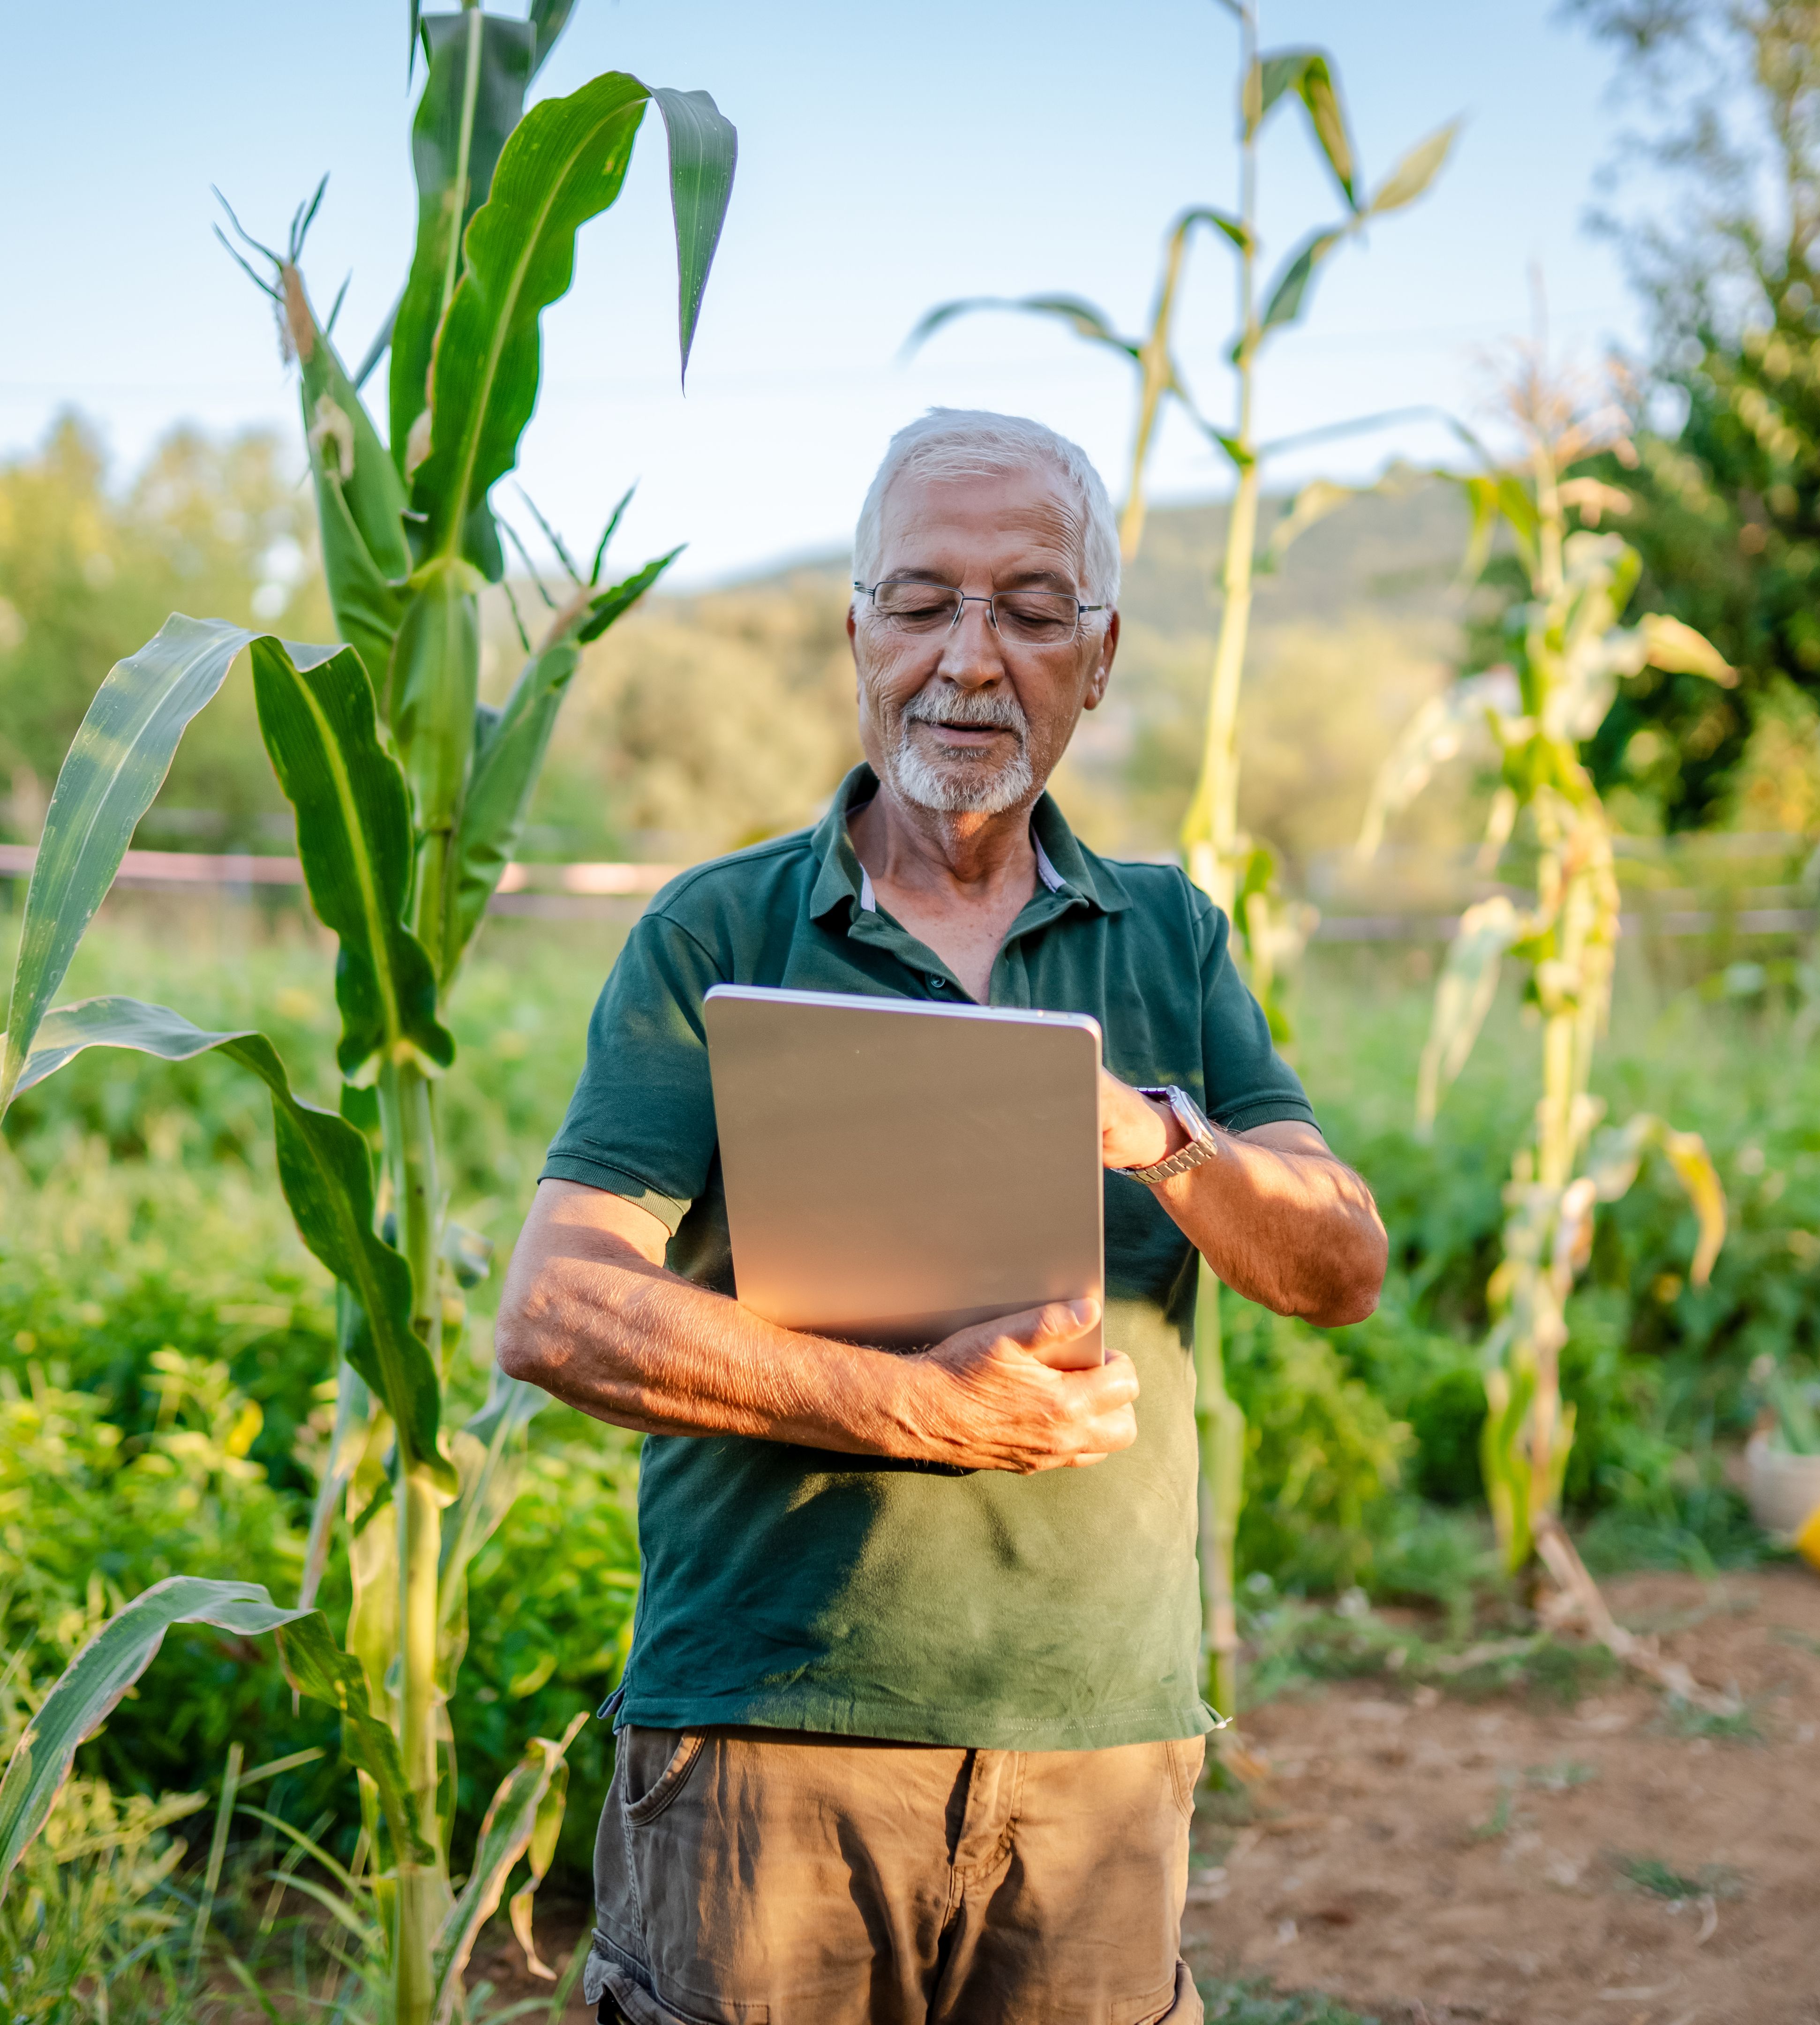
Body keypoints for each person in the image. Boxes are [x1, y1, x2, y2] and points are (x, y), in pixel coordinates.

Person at [493, 408, 1389, 2025]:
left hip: (1103, 1750)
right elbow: (557, 1309)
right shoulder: (719, 933)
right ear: (857, 636)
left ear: (1099, 659)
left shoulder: (1168, 940)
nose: (970, 660)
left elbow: (1339, 1265)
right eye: (921, 605)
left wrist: (1157, 1137)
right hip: (770, 1738)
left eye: (1033, 610)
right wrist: (927, 1410)